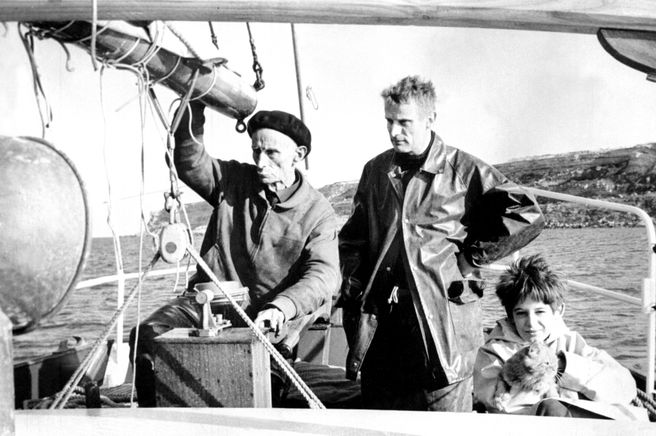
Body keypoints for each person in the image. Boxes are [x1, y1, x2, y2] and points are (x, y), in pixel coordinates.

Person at [337, 74, 544, 411]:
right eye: (389, 121)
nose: (393, 131)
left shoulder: (463, 170)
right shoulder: (375, 171)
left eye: (404, 122)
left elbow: (526, 212)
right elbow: (353, 238)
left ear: (430, 120)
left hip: (441, 331)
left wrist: (472, 257)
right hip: (383, 329)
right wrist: (354, 281)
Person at [130, 102, 340, 406]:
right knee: (148, 337)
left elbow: (324, 275)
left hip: (268, 323)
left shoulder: (318, 213)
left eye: (271, 154)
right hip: (207, 307)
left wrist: (282, 308)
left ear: (299, 154)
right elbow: (189, 161)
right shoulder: (232, 180)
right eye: (256, 151)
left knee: (260, 394)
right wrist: (194, 104)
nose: (260, 162)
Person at [473, 254, 646, 420]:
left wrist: (565, 366)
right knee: (551, 408)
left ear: (558, 311)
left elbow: (626, 389)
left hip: (574, 425)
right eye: (521, 313)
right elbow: (499, 405)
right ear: (511, 316)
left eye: (540, 312)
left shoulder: (571, 342)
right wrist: (533, 375)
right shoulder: (494, 351)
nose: (531, 323)